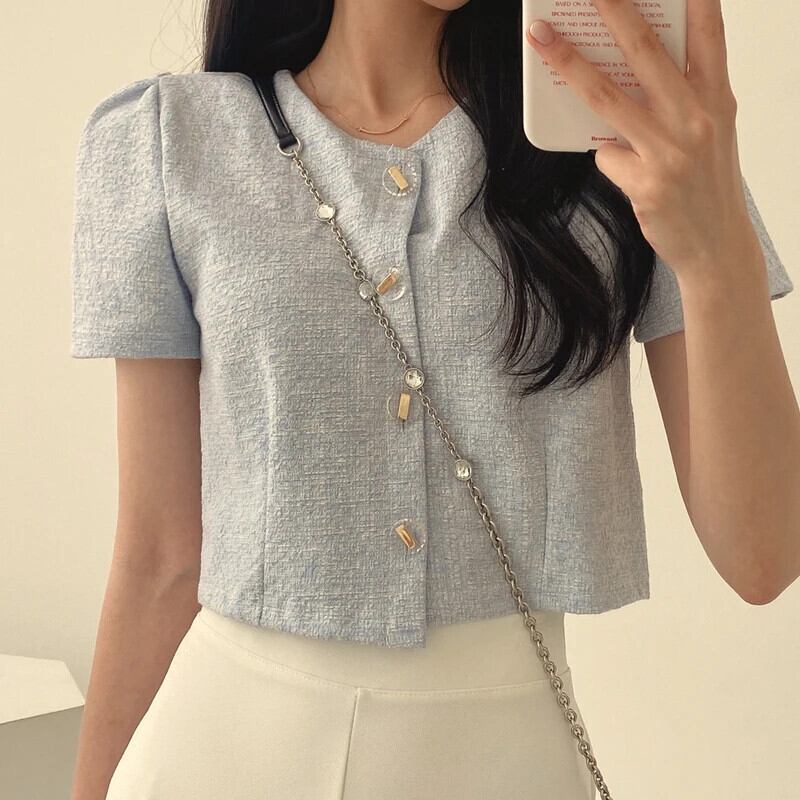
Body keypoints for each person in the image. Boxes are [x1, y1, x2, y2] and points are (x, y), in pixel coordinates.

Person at [68, 1, 798, 798]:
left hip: (509, 770)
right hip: (215, 756)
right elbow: (159, 557)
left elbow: (764, 556)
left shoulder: (626, 138)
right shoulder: (169, 138)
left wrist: (716, 247)